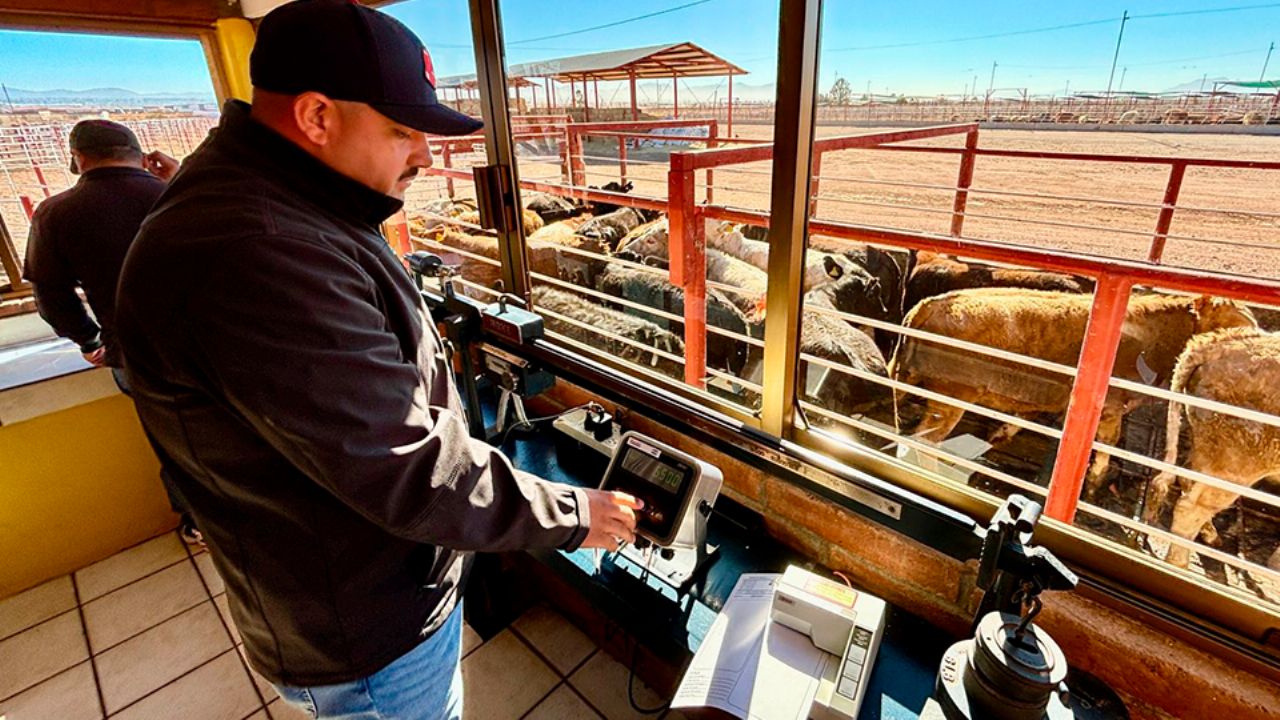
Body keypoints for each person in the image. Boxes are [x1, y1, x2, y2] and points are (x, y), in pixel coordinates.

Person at [114, 2, 641, 718]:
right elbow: (407, 468)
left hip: (343, 587)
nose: (424, 155)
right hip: (367, 631)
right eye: (403, 131)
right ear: (316, 116)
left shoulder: (286, 203)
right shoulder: (257, 250)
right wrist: (574, 512)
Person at [21, 119, 201, 544]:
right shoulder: (178, 194)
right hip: (212, 345)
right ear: (143, 157)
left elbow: (52, 295)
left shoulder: (57, 213)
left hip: (138, 355)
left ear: (78, 159)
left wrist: (88, 338)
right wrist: (180, 180)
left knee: (173, 441)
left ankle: (199, 522)